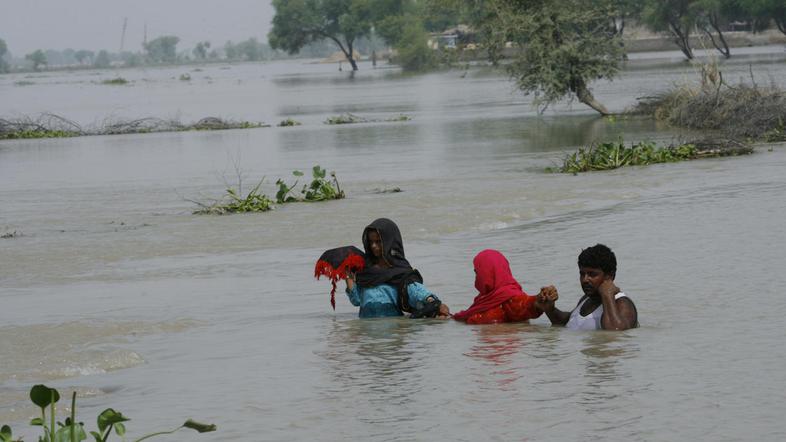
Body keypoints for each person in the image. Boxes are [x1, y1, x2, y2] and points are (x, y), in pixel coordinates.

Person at [344, 218, 450, 319]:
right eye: (371, 242)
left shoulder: (400, 271)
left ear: (390, 242)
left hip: (392, 332)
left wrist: (432, 301)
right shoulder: (364, 271)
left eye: (378, 242)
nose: (374, 246)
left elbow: (415, 291)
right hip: (366, 333)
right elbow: (356, 301)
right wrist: (348, 276)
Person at [538, 244, 638, 331]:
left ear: (610, 276)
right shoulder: (586, 299)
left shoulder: (622, 303)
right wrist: (550, 309)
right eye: (582, 274)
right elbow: (568, 322)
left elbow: (616, 334)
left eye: (592, 274)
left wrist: (607, 295)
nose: (585, 280)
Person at [453, 249, 548, 324]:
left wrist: (537, 301)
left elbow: (524, 304)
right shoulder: (483, 301)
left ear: (486, 273)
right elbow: (466, 315)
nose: (476, 277)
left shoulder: (508, 297)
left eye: (477, 272)